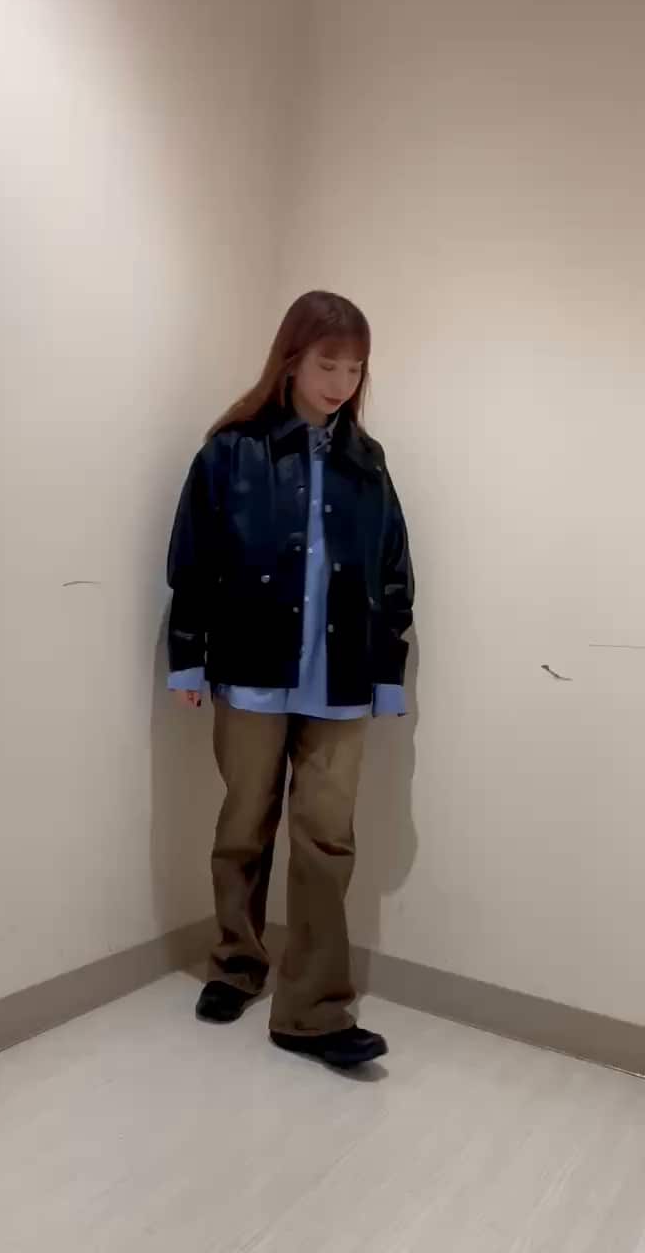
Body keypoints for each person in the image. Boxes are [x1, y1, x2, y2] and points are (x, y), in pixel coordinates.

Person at [166, 290, 414, 1069]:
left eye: (355, 368)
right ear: (292, 359)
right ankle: (237, 964)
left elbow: (394, 574)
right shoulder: (231, 451)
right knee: (244, 826)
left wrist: (388, 674)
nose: (341, 381)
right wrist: (186, 656)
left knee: (327, 840)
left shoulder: (367, 463)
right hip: (250, 669)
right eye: (327, 363)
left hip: (341, 680)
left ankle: (312, 1010)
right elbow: (193, 560)